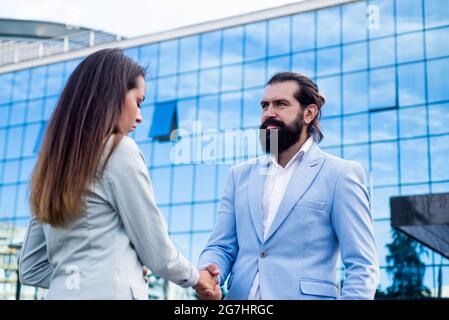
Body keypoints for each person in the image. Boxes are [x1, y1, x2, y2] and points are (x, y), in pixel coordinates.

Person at [19, 48, 218, 299]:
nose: (140, 117)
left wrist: (110, 272)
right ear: (112, 96)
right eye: (138, 101)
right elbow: (157, 252)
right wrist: (197, 277)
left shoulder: (51, 166)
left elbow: (31, 268)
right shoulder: (118, 149)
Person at [196, 72, 380, 300]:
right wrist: (210, 271)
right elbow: (221, 246)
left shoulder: (340, 174)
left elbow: (362, 266)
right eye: (264, 106)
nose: (268, 113)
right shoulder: (239, 175)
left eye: (280, 104)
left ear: (309, 113)